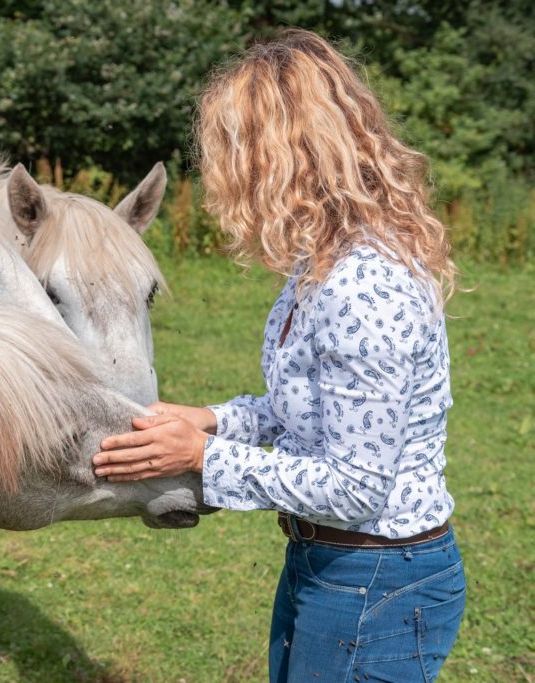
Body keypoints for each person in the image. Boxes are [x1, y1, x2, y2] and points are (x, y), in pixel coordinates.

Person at [93, 29, 465, 682]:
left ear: (279, 157)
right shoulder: (320, 263)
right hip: (331, 566)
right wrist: (209, 417)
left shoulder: (363, 283)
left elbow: (355, 486)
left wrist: (203, 458)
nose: (217, 175)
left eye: (229, 152)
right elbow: (309, 410)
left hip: (375, 580)